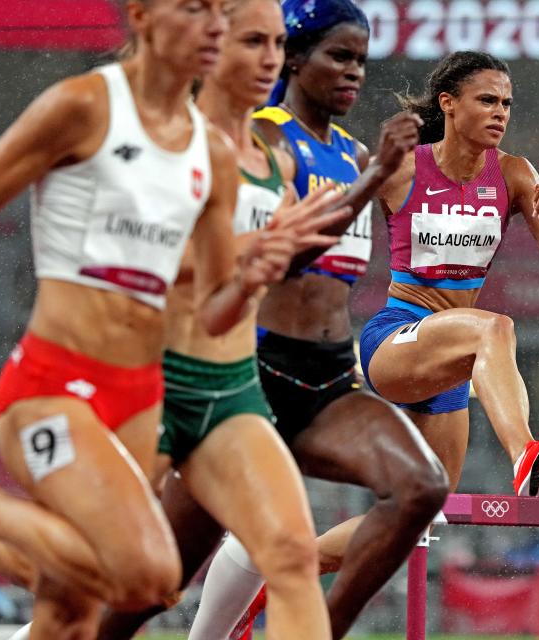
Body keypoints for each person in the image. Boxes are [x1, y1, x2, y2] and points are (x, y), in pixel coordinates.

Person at [0, 1, 341, 638]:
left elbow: (212, 308)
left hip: (139, 396)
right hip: (53, 385)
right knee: (146, 576)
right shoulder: (84, 105)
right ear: (141, 17)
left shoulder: (210, 151)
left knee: (75, 610)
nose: (213, 26)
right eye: (195, 10)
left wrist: (257, 267)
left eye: (219, 13)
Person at [97, 1, 447, 639]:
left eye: (362, 61)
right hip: (248, 380)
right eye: (338, 56)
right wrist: (372, 182)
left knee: (421, 487)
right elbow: (278, 262)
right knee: (152, 587)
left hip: (328, 382)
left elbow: (339, 267)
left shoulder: (354, 150)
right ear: (294, 57)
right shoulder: (261, 137)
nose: (355, 74)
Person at [357, 50, 539, 500]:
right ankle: (525, 455)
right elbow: (332, 212)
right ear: (448, 103)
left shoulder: (513, 173)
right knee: (495, 327)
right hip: (394, 339)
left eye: (506, 104)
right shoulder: (403, 167)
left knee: (420, 510)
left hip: (452, 362)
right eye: (487, 101)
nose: (499, 113)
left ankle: (294, 567)